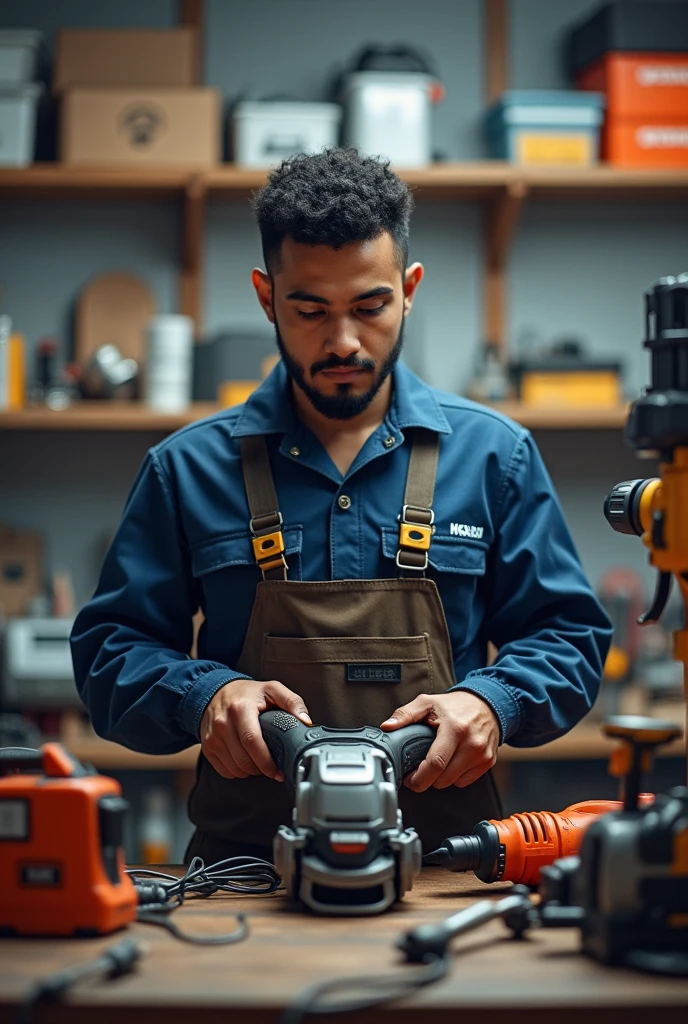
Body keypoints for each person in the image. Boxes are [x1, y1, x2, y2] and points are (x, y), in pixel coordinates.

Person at [71, 148, 612, 863]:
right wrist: (203, 695)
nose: (343, 342)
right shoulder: (187, 468)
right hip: (245, 873)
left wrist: (493, 702)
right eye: (310, 310)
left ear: (409, 288)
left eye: (370, 306)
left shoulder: (495, 457)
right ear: (267, 297)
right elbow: (110, 655)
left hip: (450, 868)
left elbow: (568, 637)